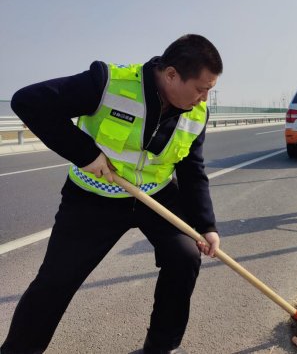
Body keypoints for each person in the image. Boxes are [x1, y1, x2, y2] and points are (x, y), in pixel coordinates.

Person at [1, 34, 223, 354]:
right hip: (93, 198)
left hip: (155, 196)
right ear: (172, 74)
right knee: (56, 281)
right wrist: (84, 153)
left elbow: (192, 171)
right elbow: (29, 101)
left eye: (209, 91)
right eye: (201, 89)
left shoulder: (196, 114)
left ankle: (160, 346)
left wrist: (206, 226)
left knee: (185, 256)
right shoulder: (109, 83)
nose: (203, 99)